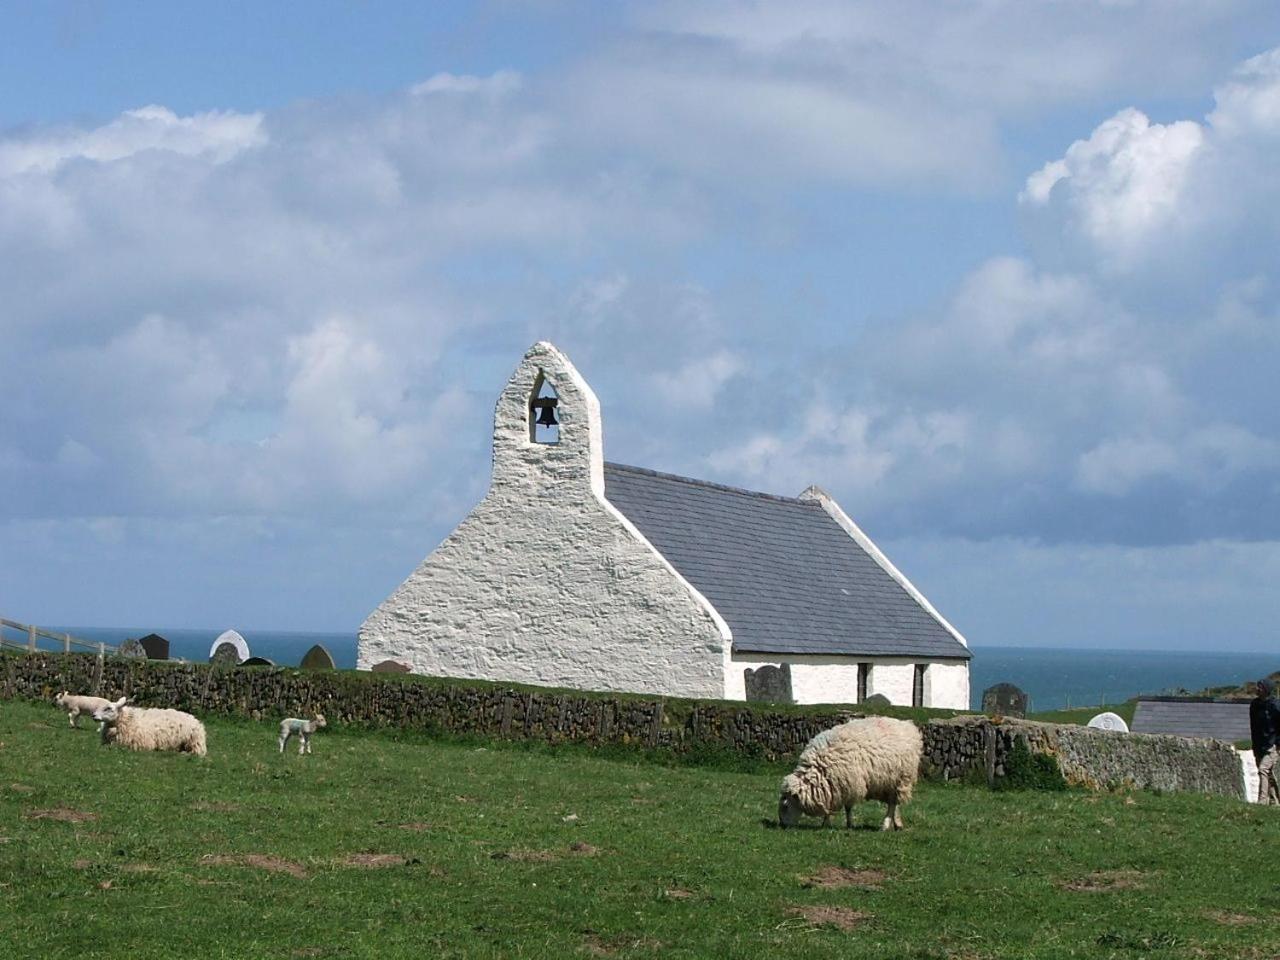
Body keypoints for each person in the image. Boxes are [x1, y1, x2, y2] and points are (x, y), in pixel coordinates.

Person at [1249, 677, 1280, 805]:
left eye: (1260, 687)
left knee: (1263, 769)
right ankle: (1275, 801)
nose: (1257, 689)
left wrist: (1278, 744)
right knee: (1269, 775)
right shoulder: (1255, 705)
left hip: (1272, 745)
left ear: (1266, 690)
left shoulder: (1275, 706)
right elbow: (1254, 726)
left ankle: (1262, 801)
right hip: (1259, 745)